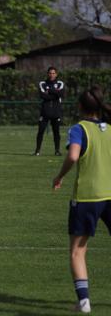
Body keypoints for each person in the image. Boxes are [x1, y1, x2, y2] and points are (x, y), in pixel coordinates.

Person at [52, 86, 111, 313]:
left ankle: (84, 302)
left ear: (80, 107)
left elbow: (73, 155)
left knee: (78, 251)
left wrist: (59, 176)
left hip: (87, 197)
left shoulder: (79, 129)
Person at [34, 66, 65, 156]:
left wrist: (50, 91)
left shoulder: (60, 83)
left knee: (56, 132)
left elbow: (61, 94)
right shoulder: (42, 83)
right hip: (45, 112)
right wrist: (55, 93)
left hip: (56, 112)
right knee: (41, 131)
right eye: (50, 73)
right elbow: (43, 96)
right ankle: (37, 151)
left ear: (56, 74)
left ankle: (57, 150)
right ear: (47, 74)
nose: (52, 75)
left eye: (53, 73)